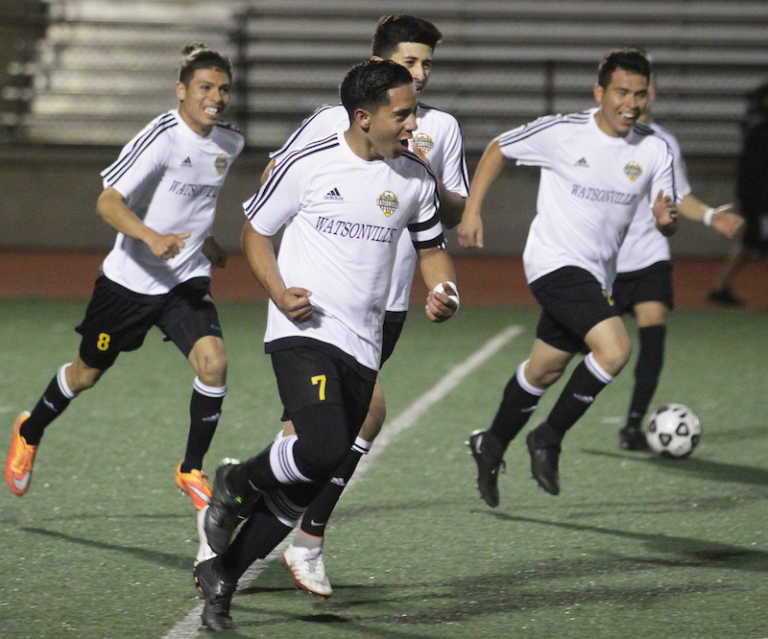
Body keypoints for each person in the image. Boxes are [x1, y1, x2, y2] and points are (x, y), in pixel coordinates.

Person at [193, 59, 459, 632]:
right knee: (321, 448)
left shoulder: (413, 177)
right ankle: (237, 484)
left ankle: (225, 575)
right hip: (303, 331)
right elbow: (256, 232)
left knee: (315, 474)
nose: (413, 124)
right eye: (403, 113)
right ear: (364, 117)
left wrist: (443, 288)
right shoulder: (310, 165)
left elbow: (433, 247)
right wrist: (279, 291)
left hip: (365, 342)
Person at [262, 15, 468, 597]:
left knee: (321, 428)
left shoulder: (443, 129)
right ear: (380, 63)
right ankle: (293, 532)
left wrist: (434, 184)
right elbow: (277, 173)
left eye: (427, 63)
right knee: (357, 418)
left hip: (387, 302)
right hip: (322, 302)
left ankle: (259, 527)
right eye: (409, 62)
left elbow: (446, 212)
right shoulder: (333, 121)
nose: (420, 74)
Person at [4, 44, 244, 511]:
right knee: (86, 373)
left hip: (185, 281)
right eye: (205, 88)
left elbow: (196, 199)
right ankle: (29, 430)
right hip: (129, 283)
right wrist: (152, 238)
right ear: (181, 91)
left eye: (223, 89)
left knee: (214, 364)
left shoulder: (228, 142)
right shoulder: (161, 137)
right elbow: (108, 202)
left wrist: (206, 239)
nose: (215, 97)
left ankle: (190, 468)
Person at [458, 48, 677, 506]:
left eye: (639, 94)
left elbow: (668, 215)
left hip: (599, 275)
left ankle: (492, 442)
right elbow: (499, 147)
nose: (630, 103)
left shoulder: (655, 148)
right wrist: (473, 211)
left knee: (545, 368)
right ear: (600, 92)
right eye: (621, 92)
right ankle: (548, 437)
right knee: (616, 349)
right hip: (553, 262)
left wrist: (665, 219)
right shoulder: (563, 132)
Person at [614, 78, 743, 450]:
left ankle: (632, 427)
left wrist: (708, 217)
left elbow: (678, 194)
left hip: (650, 256)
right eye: (630, 90)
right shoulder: (597, 137)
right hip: (604, 260)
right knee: (583, 348)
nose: (640, 97)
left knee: (653, 334)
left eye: (646, 90)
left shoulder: (663, 142)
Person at [707, 81, 768, 306]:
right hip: (759, 199)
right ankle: (719, 287)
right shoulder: (760, 130)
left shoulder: (755, 128)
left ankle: (720, 286)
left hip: (755, 197)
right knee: (750, 244)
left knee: (751, 245)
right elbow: (754, 171)